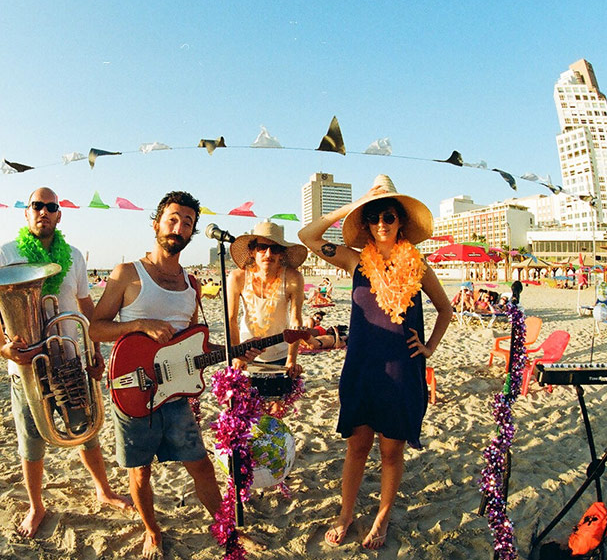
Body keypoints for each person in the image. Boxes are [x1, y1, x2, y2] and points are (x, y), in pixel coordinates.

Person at [90, 191, 261, 560]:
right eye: (172, 219)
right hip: (132, 390)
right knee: (140, 473)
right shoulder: (127, 274)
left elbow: (196, 341)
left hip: (176, 395)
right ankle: (152, 531)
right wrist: (139, 324)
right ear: (156, 223)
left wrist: (238, 349)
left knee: (200, 465)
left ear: (193, 232)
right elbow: (96, 329)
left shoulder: (192, 285)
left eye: (187, 222)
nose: (178, 227)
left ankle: (227, 531)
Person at [298, 174, 452, 550]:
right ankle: (345, 514)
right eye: (374, 217)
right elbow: (308, 237)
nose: (381, 224)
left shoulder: (419, 266)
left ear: (400, 221)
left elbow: (445, 310)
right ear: (366, 224)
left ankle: (382, 515)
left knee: (391, 449)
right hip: (363, 365)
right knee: (357, 445)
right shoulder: (354, 262)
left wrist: (428, 347)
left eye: (388, 215)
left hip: (402, 367)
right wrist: (353, 206)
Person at [0, 186, 132, 539]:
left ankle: (103, 490)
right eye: (37, 206)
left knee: (86, 431)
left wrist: (96, 349)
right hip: (27, 365)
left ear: (59, 215)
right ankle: (37, 506)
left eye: (51, 207)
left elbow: (85, 305)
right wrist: (2, 347)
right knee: (31, 440)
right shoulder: (7, 252)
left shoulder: (75, 256)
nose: (44, 212)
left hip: (69, 358)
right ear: (26, 211)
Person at [227, 220, 306, 396]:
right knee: (245, 412)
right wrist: (236, 354)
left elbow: (296, 319)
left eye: (275, 249)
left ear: (281, 254)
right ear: (252, 251)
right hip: (247, 352)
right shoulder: (237, 277)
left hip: (280, 354)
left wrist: (291, 359)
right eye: (262, 247)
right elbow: (231, 318)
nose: (268, 254)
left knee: (274, 414)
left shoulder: (293, 278)